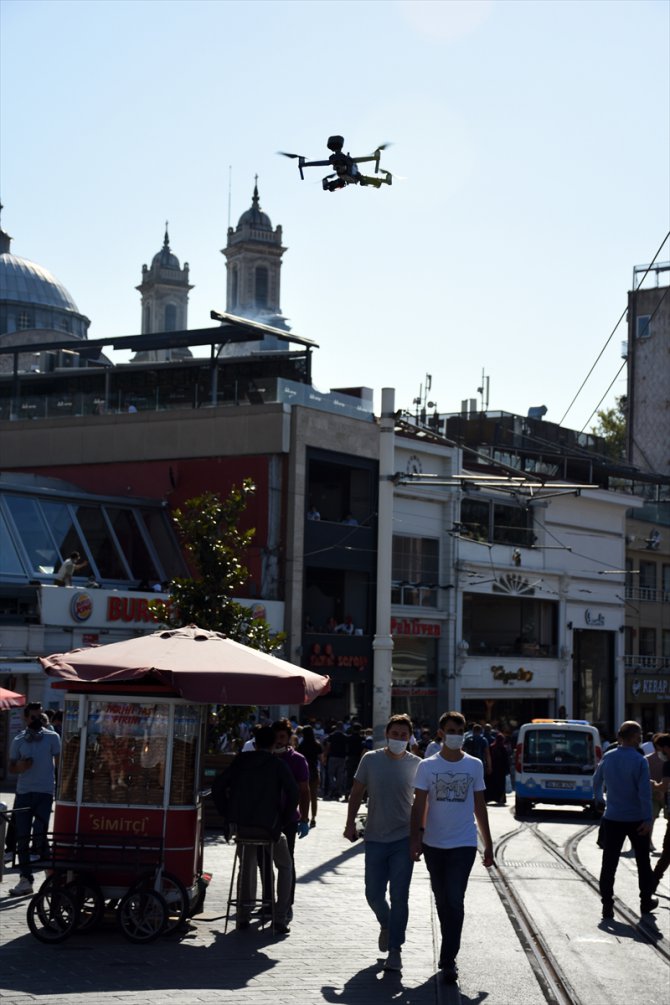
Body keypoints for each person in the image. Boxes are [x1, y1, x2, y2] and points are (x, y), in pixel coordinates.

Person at [410, 710, 494, 985]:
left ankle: (448, 959)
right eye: (451, 731)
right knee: (441, 899)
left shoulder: (474, 765)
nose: (455, 736)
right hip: (433, 844)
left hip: (464, 843)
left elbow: (480, 805)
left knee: (455, 900)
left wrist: (488, 843)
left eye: (459, 731)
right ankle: (449, 950)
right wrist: (415, 838)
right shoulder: (427, 766)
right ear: (441, 734)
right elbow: (419, 805)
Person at [344, 714, 421, 973]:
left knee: (400, 896)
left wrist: (419, 835)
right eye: (395, 733)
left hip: (403, 838)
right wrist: (349, 823)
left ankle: (395, 950)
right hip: (375, 837)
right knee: (373, 894)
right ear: (387, 734)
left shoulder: (417, 765)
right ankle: (387, 924)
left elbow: (424, 802)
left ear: (409, 738)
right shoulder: (371, 759)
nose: (399, 738)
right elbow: (356, 792)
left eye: (404, 735)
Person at [213, 725, 298, 934]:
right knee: (285, 865)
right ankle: (280, 917)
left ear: (255, 743)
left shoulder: (241, 761)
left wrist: (228, 814)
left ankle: (243, 915)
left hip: (242, 827)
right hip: (269, 828)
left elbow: (218, 787)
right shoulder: (277, 764)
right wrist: (283, 820)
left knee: (247, 863)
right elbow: (293, 792)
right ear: (273, 744)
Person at [593, 719, 658, 919]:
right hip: (636, 819)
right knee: (643, 862)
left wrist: (599, 800)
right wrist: (648, 819)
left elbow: (596, 781)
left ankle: (607, 905)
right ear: (636, 737)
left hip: (612, 818)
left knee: (609, 863)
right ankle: (646, 901)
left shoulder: (608, 757)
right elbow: (644, 793)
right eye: (640, 735)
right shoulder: (640, 761)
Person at [8, 702, 62, 896]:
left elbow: (60, 763)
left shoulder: (52, 737)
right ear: (25, 718)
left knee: (40, 834)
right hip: (24, 793)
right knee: (22, 838)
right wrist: (20, 767)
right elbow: (11, 767)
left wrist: (61, 788)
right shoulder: (19, 739)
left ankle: (51, 876)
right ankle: (26, 879)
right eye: (33, 717)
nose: (37, 720)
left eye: (40, 716)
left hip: (44, 792)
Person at [272, 719, 310, 917]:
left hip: (288, 819)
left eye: (282, 737)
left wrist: (304, 819)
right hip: (265, 819)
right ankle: (268, 902)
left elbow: (304, 790)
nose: (278, 741)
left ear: (288, 738)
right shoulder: (265, 757)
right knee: (264, 863)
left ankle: (286, 903)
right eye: (275, 737)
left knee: (287, 862)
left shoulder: (297, 760)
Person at [651, 732, 670, 893]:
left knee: (667, 851)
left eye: (660, 749)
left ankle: (652, 882)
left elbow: (664, 786)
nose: (660, 753)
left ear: (666, 748)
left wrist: (653, 785)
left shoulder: (668, 764)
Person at [298, 725, 323, 827]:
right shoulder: (317, 745)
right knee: (313, 796)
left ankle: (303, 816)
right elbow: (321, 759)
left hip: (303, 771)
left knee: (303, 796)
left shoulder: (301, 745)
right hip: (314, 771)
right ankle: (313, 817)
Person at [323, 721, 347, 799]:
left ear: (336, 727)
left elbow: (328, 746)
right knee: (340, 775)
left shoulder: (331, 736)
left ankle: (333, 787)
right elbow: (347, 747)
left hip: (332, 757)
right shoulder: (345, 736)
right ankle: (338, 790)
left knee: (330, 774)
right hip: (342, 758)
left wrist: (325, 756)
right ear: (342, 727)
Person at [486, 733, 510, 805]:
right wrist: (507, 770)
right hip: (501, 771)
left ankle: (490, 798)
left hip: (493, 770)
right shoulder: (503, 748)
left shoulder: (491, 747)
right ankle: (500, 799)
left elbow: (488, 757)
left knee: (491, 784)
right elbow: (506, 760)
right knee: (500, 786)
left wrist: (488, 767)